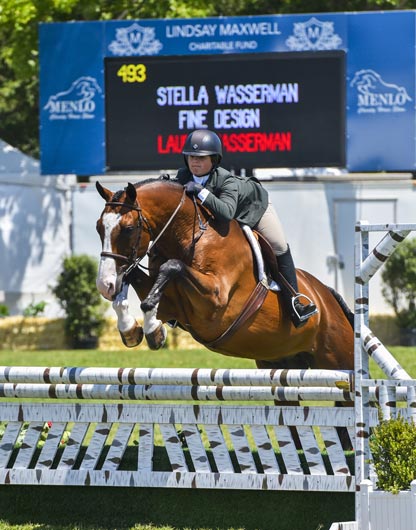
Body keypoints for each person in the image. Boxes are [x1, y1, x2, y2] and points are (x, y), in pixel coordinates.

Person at [174, 129, 318, 328]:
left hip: (255, 208)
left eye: (201, 157)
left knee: (278, 245)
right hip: (225, 216)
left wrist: (201, 192)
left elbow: (225, 213)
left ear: (214, 159)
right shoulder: (182, 176)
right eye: (191, 157)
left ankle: (295, 301)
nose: (194, 162)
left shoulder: (227, 181)